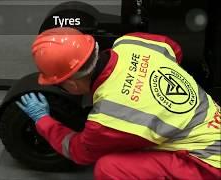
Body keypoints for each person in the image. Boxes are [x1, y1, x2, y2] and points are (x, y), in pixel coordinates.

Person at [15, 27, 221, 179]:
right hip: (213, 124)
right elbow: (173, 48)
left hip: (208, 166)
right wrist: (147, 83)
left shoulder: (110, 117)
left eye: (60, 84)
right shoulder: (131, 42)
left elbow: (78, 151)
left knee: (109, 168)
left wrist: (43, 121)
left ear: (72, 84)